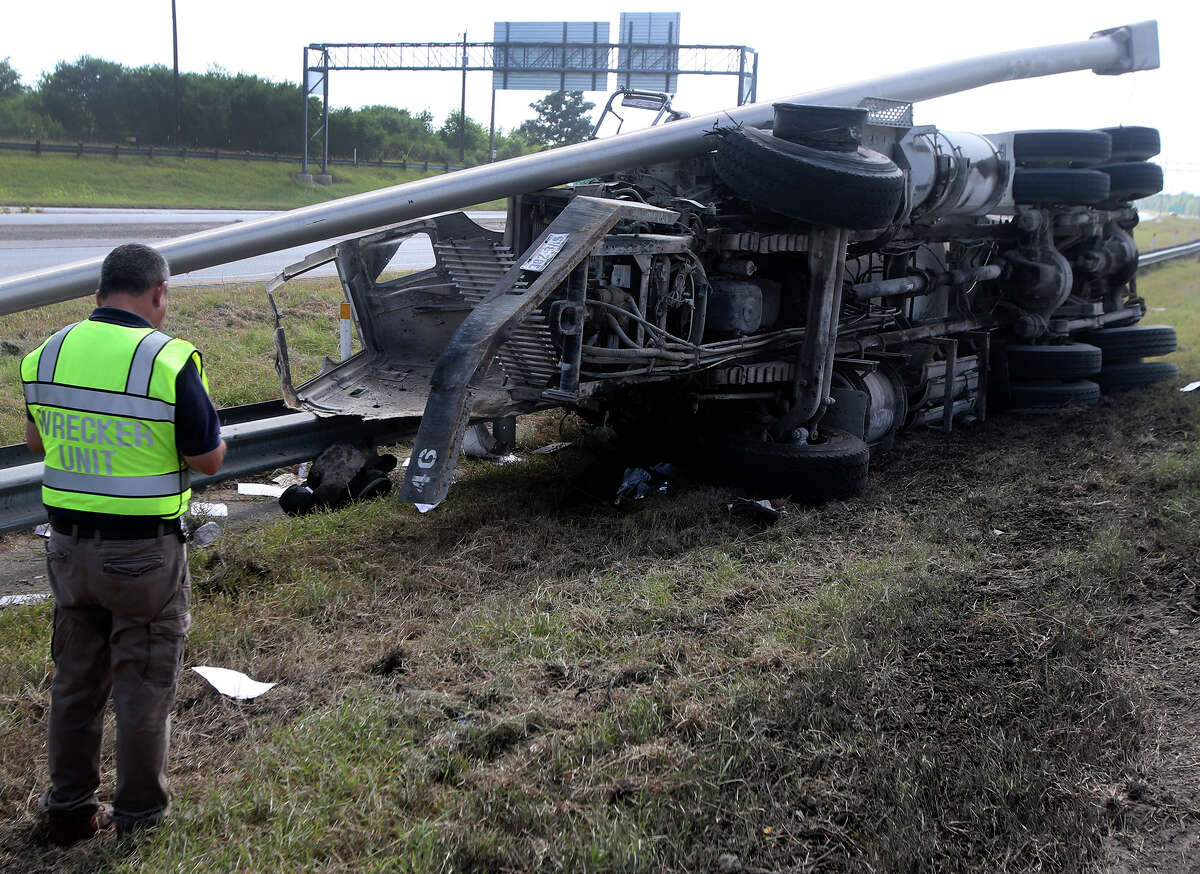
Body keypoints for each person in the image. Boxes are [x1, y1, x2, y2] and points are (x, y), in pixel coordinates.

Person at [20, 243, 226, 845]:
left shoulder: (46, 353)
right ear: (158, 292)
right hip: (142, 556)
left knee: (75, 682)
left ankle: (69, 810)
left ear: (101, 289)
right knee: (143, 683)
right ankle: (138, 817)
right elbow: (207, 458)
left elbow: (36, 444)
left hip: (66, 550)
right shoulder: (168, 359)